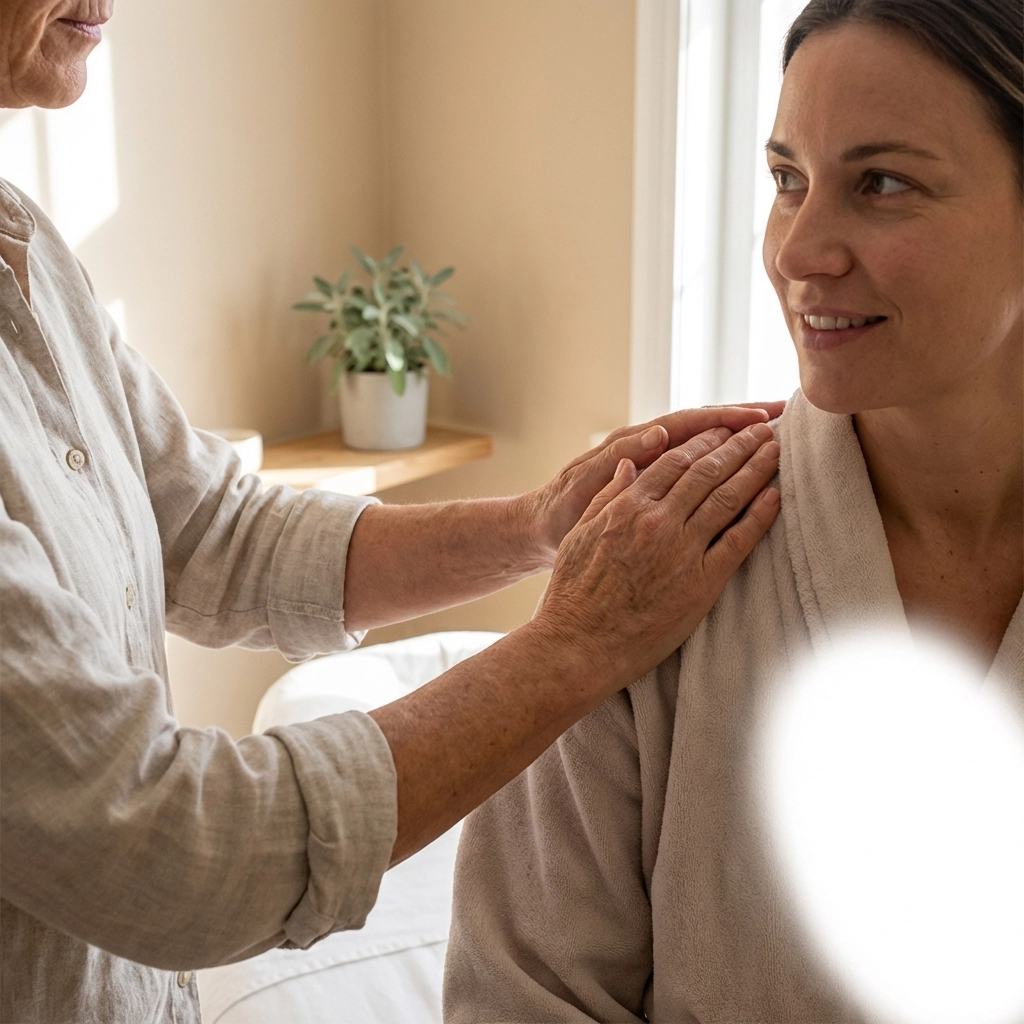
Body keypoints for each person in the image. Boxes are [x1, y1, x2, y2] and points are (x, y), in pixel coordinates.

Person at [0, 1, 788, 1021]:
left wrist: (539, 525)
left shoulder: (31, 251)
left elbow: (214, 531)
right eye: (785, 181)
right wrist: (577, 642)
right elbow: (168, 848)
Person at [443, 0, 1024, 1020]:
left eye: (880, 184)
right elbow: (516, 991)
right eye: (785, 180)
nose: (798, 250)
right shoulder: (652, 558)